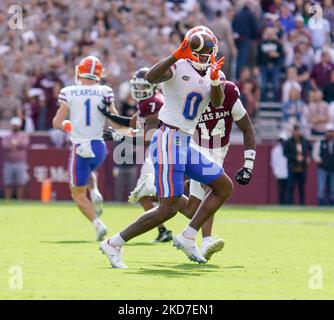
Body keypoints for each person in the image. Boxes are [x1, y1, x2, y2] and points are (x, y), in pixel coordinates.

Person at [100, 26, 237, 268]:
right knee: (168, 208)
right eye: (202, 51)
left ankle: (187, 236)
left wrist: (215, 80)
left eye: (209, 52)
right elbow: (150, 78)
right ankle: (114, 243)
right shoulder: (180, 64)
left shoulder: (211, 73)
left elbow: (216, 103)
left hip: (185, 140)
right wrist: (177, 53)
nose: (207, 56)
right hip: (168, 137)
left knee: (223, 186)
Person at [99, 67, 173, 243]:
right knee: (146, 196)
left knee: (167, 199)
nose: (139, 90)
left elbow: (148, 138)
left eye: (143, 86)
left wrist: (118, 135)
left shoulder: (154, 102)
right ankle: (165, 231)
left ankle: (190, 229)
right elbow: (132, 123)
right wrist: (108, 115)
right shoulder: (146, 102)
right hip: (156, 153)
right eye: (137, 86)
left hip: (161, 152)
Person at [52, 55, 114, 241]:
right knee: (88, 171)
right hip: (99, 146)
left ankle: (98, 224)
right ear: (99, 74)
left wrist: (67, 126)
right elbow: (115, 119)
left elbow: (57, 122)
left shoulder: (69, 91)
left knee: (77, 193)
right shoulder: (105, 91)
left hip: (80, 147)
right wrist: (129, 131)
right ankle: (94, 192)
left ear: (80, 71)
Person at [1, 117, 30, 200]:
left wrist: (15, 144)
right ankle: (7, 200)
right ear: (11, 126)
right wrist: (15, 145)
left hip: (20, 162)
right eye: (14, 125)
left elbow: (25, 144)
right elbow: (5, 145)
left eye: (16, 125)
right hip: (8, 163)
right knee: (8, 183)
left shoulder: (23, 136)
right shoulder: (7, 136)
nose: (15, 127)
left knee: (20, 183)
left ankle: (19, 201)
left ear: (19, 126)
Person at [284, 125, 312, 205]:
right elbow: (285, 153)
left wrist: (308, 157)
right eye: (296, 131)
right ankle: (289, 204)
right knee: (290, 187)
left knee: (302, 188)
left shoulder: (304, 140)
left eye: (298, 130)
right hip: (292, 167)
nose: (297, 132)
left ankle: (302, 204)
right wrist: (295, 157)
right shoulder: (289, 141)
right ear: (293, 131)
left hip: (302, 167)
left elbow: (310, 149)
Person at [313, 124, 334, 206]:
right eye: (329, 132)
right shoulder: (320, 142)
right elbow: (315, 154)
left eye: (332, 132)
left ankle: (332, 204)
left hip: (333, 169)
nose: (330, 134)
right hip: (323, 168)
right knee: (321, 188)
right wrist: (320, 160)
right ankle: (321, 204)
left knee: (332, 188)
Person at [270, 132, 288, 205]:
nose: (282, 142)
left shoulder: (288, 148)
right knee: (281, 191)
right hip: (279, 174)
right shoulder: (275, 150)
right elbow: (273, 162)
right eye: (281, 140)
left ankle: (288, 204)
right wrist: (275, 172)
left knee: (288, 190)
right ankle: (281, 204)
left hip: (288, 173)